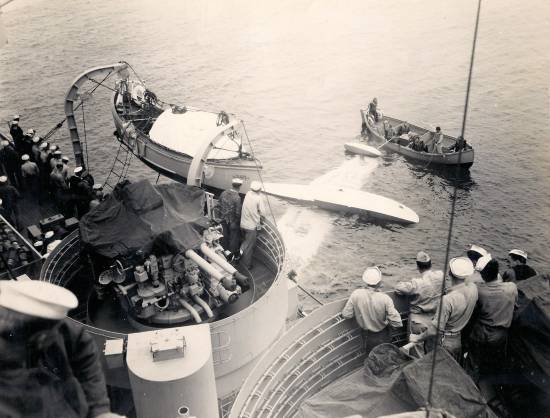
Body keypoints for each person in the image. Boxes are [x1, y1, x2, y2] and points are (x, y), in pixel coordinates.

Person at [0, 280, 124, 418]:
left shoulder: (60, 328)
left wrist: (100, 410)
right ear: (41, 337)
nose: (57, 333)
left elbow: (86, 360)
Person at [410, 257, 478, 361]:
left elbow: (433, 331)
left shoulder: (447, 300)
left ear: (450, 273)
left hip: (443, 342)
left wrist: (417, 338)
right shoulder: (474, 289)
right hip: (457, 339)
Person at [468, 256, 517, 381]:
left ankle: (472, 385)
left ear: (483, 275)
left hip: (480, 334)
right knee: (495, 364)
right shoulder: (511, 287)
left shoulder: (479, 290)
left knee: (474, 363)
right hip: (500, 335)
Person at [342, 266, 403, 353]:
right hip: (383, 335)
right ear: (379, 282)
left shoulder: (356, 294)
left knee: (371, 358)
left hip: (366, 336)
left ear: (365, 281)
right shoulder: (385, 298)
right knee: (384, 358)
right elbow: (397, 323)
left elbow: (346, 315)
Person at [394, 251, 448, 336]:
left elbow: (398, 287)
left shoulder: (416, 283)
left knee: (416, 347)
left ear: (418, 266)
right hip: (435, 319)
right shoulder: (441, 275)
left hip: (418, 321)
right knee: (431, 348)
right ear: (430, 264)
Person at [239, 180, 266, 270]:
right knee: (249, 247)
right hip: (251, 227)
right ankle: (246, 265)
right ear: (259, 190)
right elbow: (263, 213)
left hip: (242, 224)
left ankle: (238, 255)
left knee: (245, 243)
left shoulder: (247, 194)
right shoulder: (259, 198)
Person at [218, 178, 243, 257]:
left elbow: (219, 204)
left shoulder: (223, 193)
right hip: (232, 222)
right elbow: (238, 213)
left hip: (223, 218)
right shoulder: (237, 198)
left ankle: (223, 252)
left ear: (232, 185)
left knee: (224, 236)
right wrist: (237, 222)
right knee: (233, 238)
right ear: (239, 187)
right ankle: (231, 254)